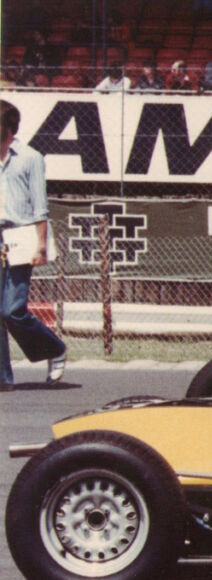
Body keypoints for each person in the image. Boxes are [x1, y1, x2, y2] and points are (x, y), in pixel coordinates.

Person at [0, 100, 67, 391]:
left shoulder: (30, 158)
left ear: (8, 129)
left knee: (12, 310)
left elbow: (40, 206)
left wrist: (40, 245)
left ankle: (54, 349)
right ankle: (3, 378)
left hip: (22, 235)